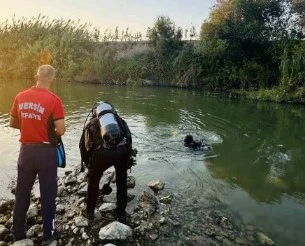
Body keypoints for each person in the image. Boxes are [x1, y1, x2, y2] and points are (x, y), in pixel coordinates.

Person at [9, 65, 66, 245]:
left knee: (22, 193)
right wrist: (49, 131)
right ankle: (48, 234)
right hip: (46, 153)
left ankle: (17, 232)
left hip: (25, 152)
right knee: (48, 194)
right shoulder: (54, 100)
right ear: (53, 80)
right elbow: (61, 130)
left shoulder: (20, 96)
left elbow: (12, 123)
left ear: (36, 77)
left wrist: (29, 126)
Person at [79, 102, 135, 223]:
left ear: (95, 113)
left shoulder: (91, 124)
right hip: (122, 152)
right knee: (121, 182)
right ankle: (121, 213)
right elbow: (129, 139)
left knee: (93, 182)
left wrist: (88, 165)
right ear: (112, 111)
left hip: (101, 155)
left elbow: (84, 147)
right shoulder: (120, 120)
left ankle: (90, 212)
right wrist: (127, 159)